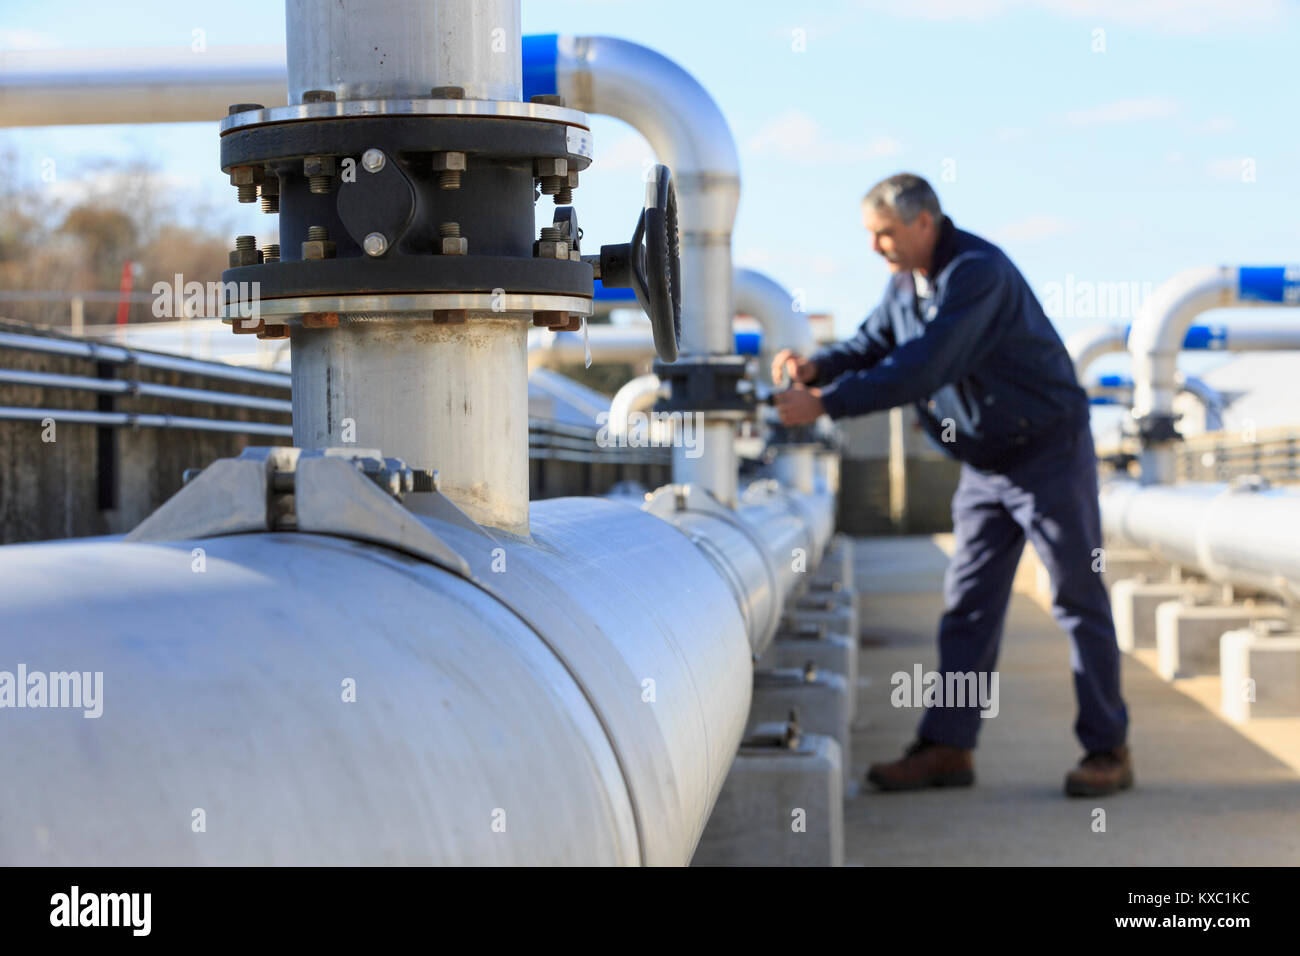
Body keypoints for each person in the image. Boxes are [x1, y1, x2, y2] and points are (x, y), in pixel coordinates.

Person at [772, 172, 1132, 797]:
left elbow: (923, 365)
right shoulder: (904, 285)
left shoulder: (977, 273)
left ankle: (1107, 749)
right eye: (871, 235)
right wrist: (818, 365)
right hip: (987, 464)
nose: (876, 246)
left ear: (924, 223)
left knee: (1076, 598)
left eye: (884, 233)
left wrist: (825, 404)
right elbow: (873, 342)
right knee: (967, 605)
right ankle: (948, 747)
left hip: (1047, 452)